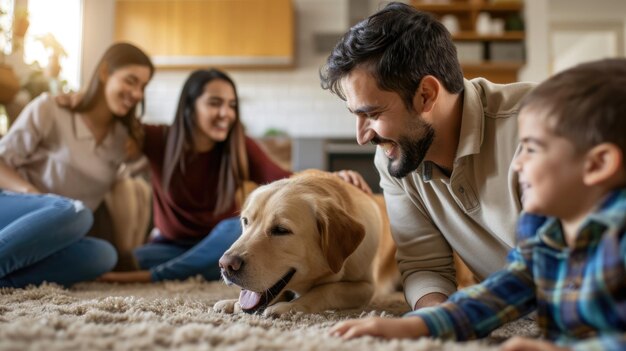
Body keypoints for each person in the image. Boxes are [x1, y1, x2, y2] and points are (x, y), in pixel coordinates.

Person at [330, 58, 626, 350]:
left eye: (532, 149)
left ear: (599, 164)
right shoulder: (545, 231)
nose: (518, 162)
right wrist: (418, 325)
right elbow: (500, 294)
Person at [319, 1, 536, 310]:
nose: (362, 136)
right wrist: (434, 321)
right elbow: (424, 265)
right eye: (356, 115)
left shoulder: (537, 126)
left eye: (373, 113)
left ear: (426, 95)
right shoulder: (394, 157)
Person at [99, 68, 372, 284]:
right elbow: (112, 124)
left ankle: (155, 276)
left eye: (231, 105)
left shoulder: (240, 145)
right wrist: (78, 101)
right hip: (170, 246)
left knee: (231, 227)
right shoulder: (159, 138)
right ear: (189, 107)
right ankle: (181, 268)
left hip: (229, 245)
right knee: (110, 260)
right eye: (215, 103)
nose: (225, 114)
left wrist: (331, 177)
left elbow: (285, 181)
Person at [0, 42, 155, 288]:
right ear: (104, 73)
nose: (137, 93)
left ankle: (6, 280)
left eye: (143, 87)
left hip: (57, 235)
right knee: (77, 212)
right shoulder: (49, 109)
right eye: (130, 80)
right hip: (14, 213)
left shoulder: (122, 141)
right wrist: (37, 196)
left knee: (104, 255)